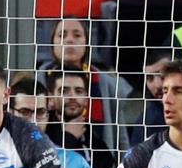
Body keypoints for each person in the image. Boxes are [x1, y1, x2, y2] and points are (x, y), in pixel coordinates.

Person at [37, 17, 132, 152]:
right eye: (62, 35)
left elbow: (120, 137)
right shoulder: (37, 82)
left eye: (77, 35)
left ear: (87, 42)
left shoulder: (107, 84)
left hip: (99, 165)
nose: (69, 40)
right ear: (52, 43)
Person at [45, 65, 118, 168]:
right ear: (51, 98)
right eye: (64, 91)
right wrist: (68, 139)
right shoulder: (40, 135)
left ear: (86, 99)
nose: (72, 97)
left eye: (78, 91)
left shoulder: (99, 147)